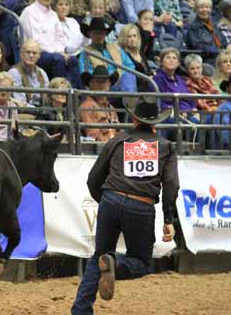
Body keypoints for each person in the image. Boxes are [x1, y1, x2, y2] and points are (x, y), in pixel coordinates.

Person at [71, 95, 179, 315]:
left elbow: (94, 178)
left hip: (111, 199)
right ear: (155, 122)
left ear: (133, 118)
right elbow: (171, 186)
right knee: (140, 262)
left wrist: (106, 202)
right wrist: (169, 220)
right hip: (141, 206)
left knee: (98, 256)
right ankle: (115, 264)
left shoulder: (117, 140)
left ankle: (81, 310)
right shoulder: (166, 147)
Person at [79, 66, 120, 142]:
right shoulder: (87, 107)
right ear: (90, 84)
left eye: (104, 81)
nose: (101, 85)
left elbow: (118, 132)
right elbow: (93, 135)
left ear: (109, 84)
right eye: (97, 81)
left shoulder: (111, 108)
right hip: (100, 149)